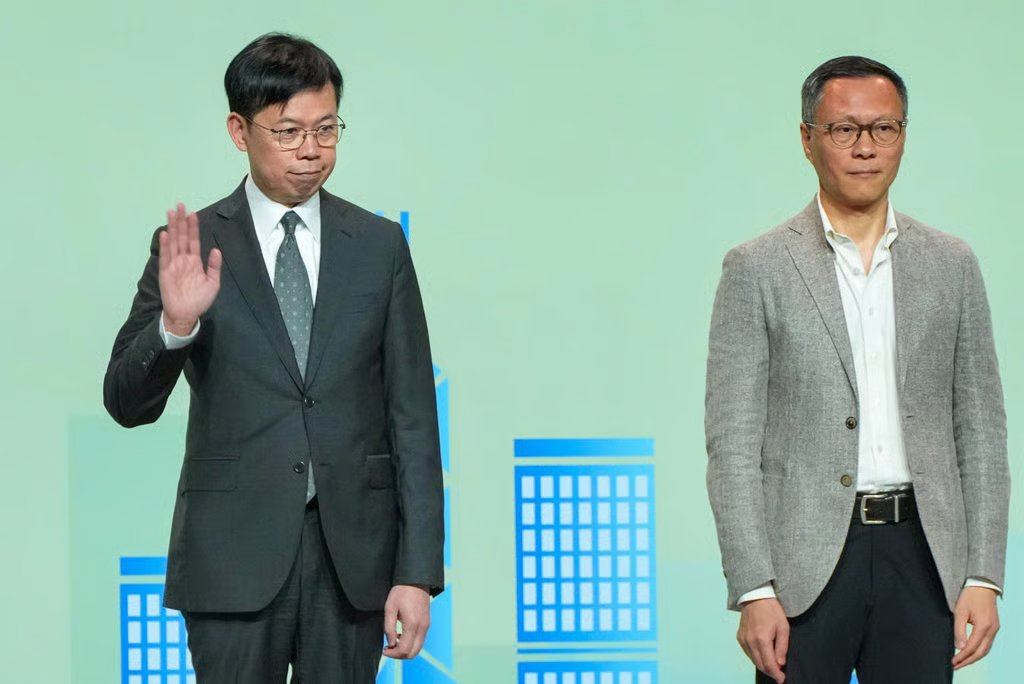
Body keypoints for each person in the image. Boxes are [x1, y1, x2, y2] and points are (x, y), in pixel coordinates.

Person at [104, 32, 444, 683]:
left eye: (327, 129)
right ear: (239, 129)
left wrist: (417, 571)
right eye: (288, 132)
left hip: (354, 563)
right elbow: (125, 402)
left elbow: (412, 417)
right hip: (230, 557)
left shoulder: (378, 247)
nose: (311, 151)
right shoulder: (190, 245)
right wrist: (175, 324)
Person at [704, 55, 1009, 683]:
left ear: (904, 137)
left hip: (924, 558)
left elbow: (980, 431)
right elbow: (732, 447)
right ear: (808, 140)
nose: (865, 147)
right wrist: (753, 587)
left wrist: (983, 574)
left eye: (884, 128)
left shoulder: (952, 263)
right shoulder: (756, 267)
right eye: (844, 130)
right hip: (804, 566)